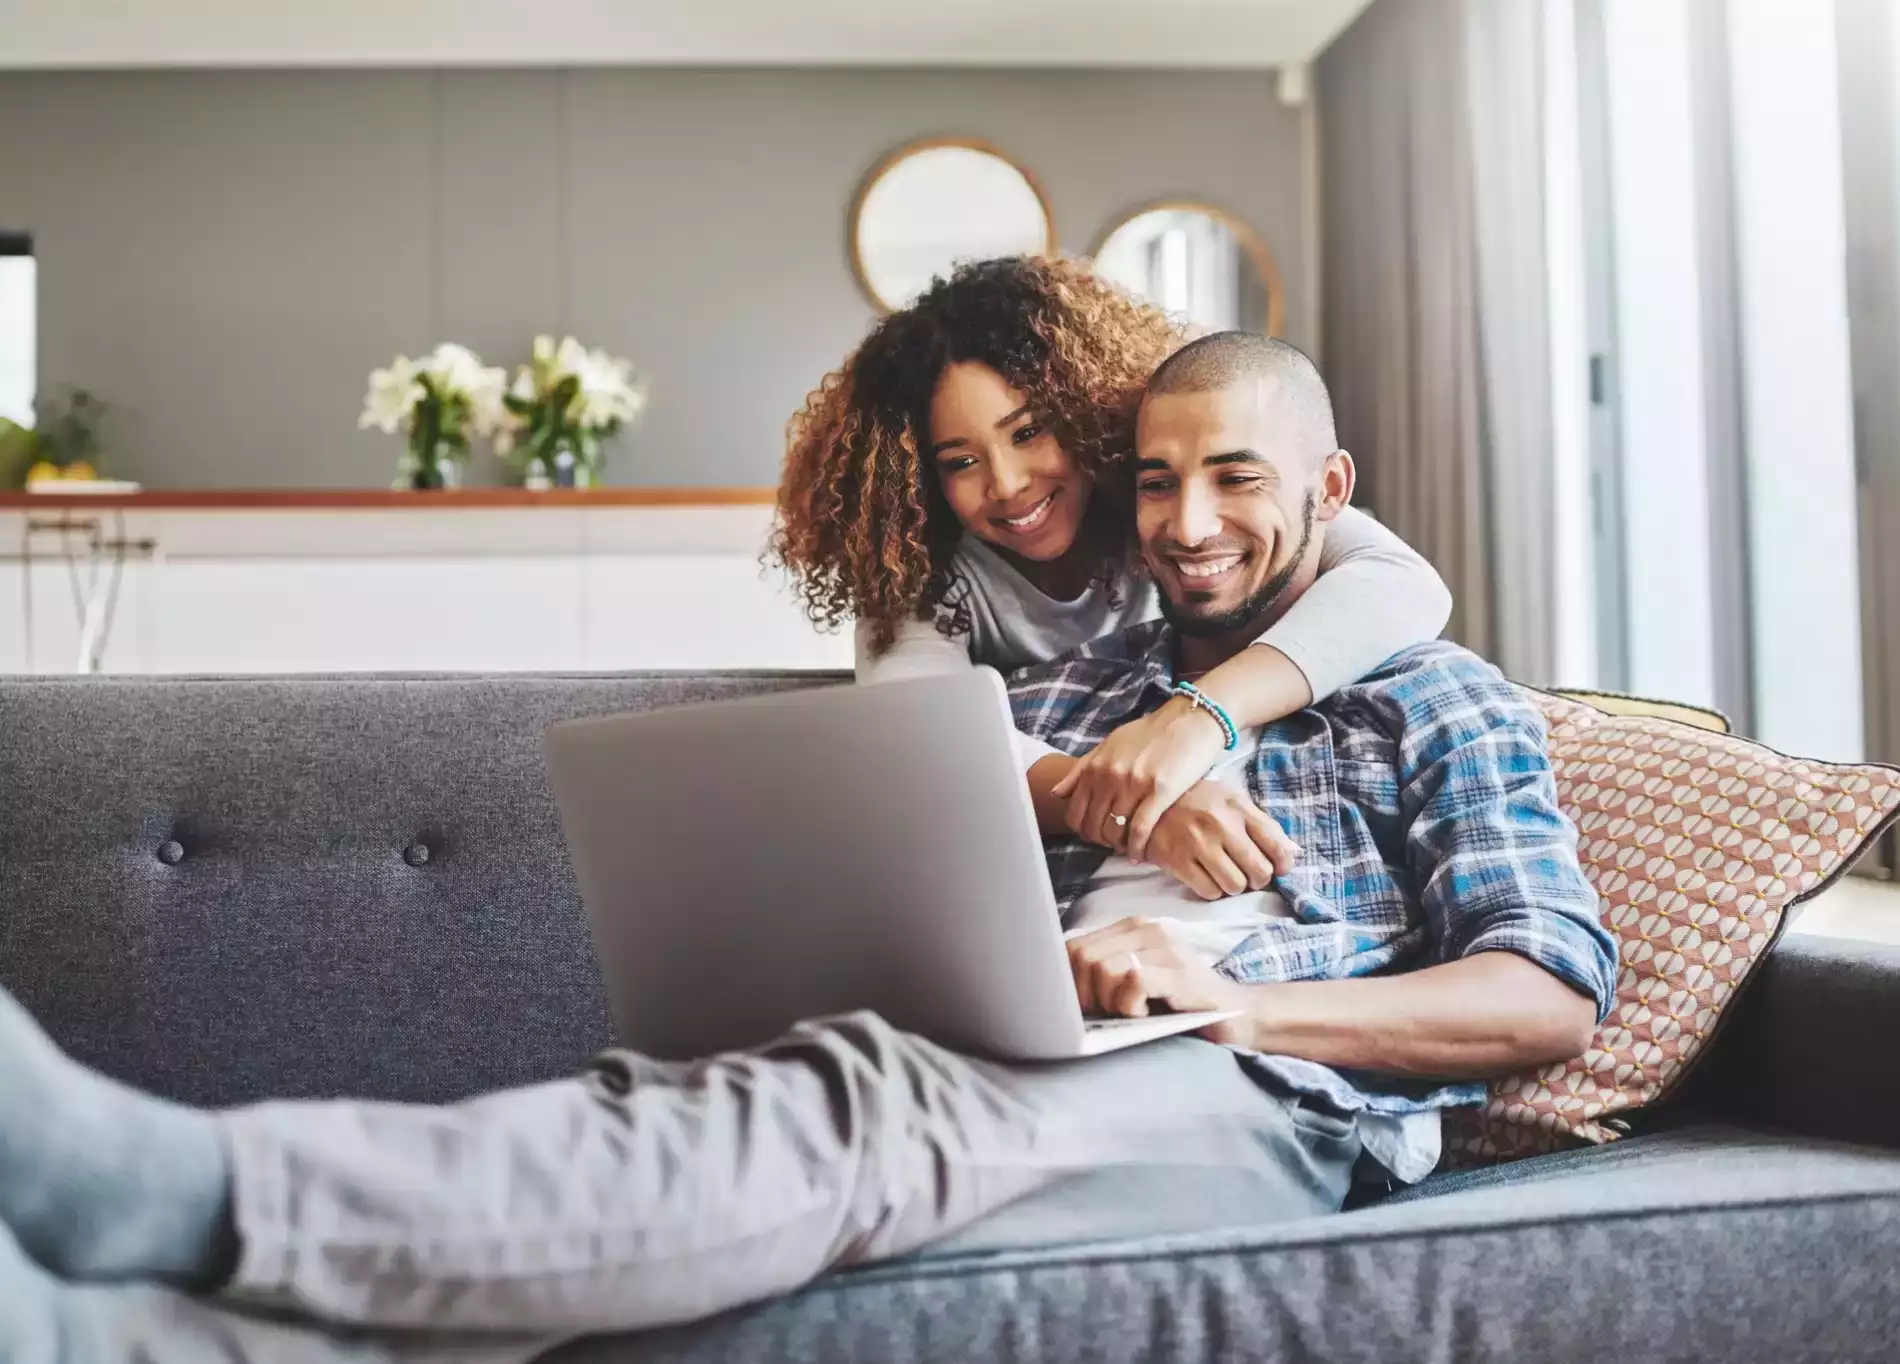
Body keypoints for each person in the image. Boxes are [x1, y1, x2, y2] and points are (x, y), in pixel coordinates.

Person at [0, 333, 1613, 1364]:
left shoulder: (1432, 695)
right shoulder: (1081, 678)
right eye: (1159, 482)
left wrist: (1224, 1001)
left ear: (1329, 488)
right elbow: (926, 748)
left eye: (1237, 479)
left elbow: (1545, 993)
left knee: (859, 1103)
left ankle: (175, 1181)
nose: (1189, 521)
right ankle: (134, 1341)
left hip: (1267, 1098)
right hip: (1022, 1040)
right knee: (710, 1128)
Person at [772, 256, 1453, 885]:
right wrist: (1134, 807)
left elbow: (1404, 584)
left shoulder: (1170, 501)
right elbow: (920, 736)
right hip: (1055, 857)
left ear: (1086, 411)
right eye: (960, 462)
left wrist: (1199, 717)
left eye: (1029, 431)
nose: (1007, 484)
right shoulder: (916, 571)